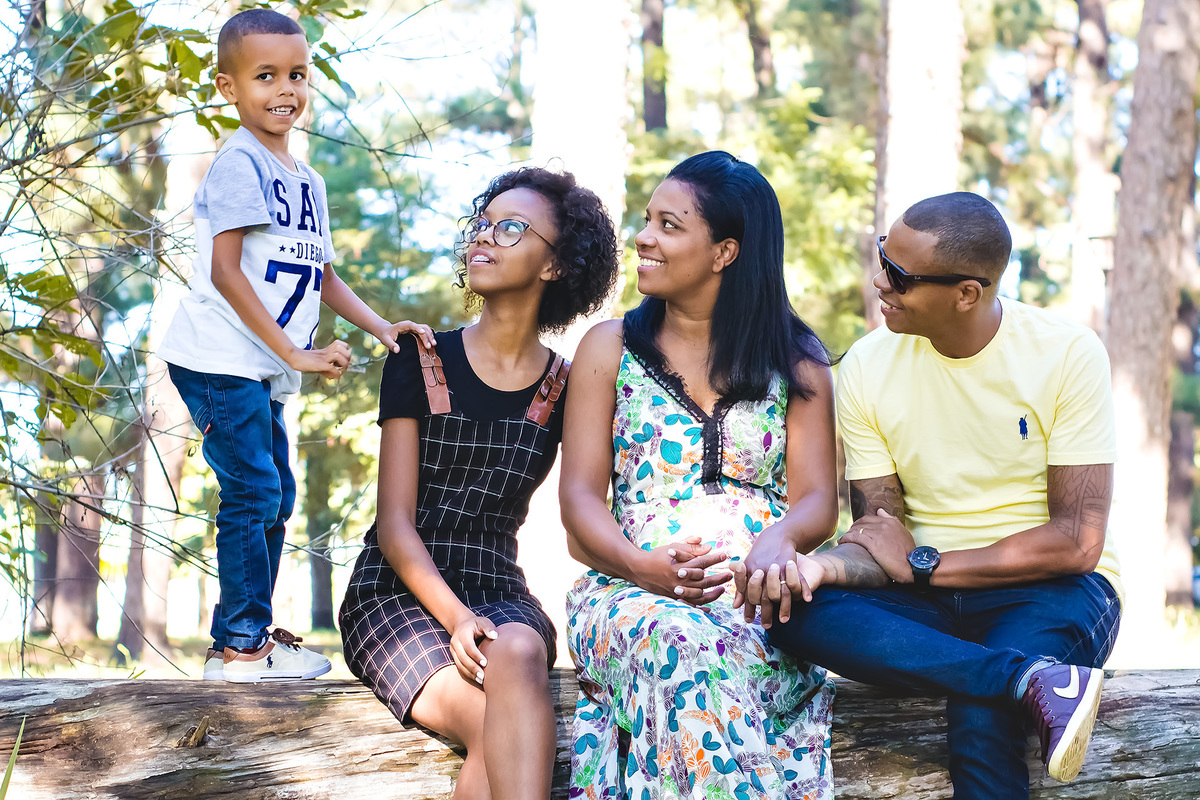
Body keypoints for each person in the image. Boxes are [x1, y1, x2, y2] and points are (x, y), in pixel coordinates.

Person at [737, 192, 1122, 799]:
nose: (879, 281)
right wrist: (817, 567)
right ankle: (1027, 679)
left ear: (967, 293)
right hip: (928, 598)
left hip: (1052, 591)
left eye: (900, 275)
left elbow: (1076, 543)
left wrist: (926, 565)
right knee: (796, 614)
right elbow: (877, 536)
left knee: (978, 714)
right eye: (883, 256)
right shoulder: (866, 363)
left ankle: (1007, 677)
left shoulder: (1067, 353)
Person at [159, 8, 433, 682]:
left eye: (297, 75)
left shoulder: (304, 180)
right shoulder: (238, 163)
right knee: (252, 491)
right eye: (265, 76)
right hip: (220, 358)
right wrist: (296, 353)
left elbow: (322, 272)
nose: (286, 89)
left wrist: (380, 326)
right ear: (227, 88)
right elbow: (225, 272)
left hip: (261, 366)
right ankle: (240, 647)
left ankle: (249, 635)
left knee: (274, 493)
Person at [561, 151, 837, 800]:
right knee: (679, 647)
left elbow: (819, 499)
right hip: (628, 593)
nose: (643, 238)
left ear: (725, 252)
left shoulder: (798, 361)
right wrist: (641, 565)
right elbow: (578, 502)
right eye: (647, 220)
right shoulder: (610, 348)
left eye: (669, 225)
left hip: (761, 596)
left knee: (722, 656)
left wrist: (779, 540)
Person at [339, 167, 621, 800]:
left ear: (556, 265)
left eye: (511, 228)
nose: (484, 239)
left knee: (520, 648)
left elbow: (587, 504)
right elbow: (393, 525)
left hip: (498, 587)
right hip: (395, 594)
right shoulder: (417, 357)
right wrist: (456, 617)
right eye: (482, 224)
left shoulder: (568, 386)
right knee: (501, 726)